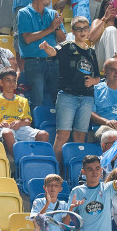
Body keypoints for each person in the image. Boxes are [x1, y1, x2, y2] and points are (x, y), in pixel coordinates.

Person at [41, 15, 101, 164]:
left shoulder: (91, 52)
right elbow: (54, 52)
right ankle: (57, 169)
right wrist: (47, 48)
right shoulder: (67, 46)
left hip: (86, 98)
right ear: (73, 31)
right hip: (68, 96)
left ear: (88, 30)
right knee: (63, 134)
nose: (82, 32)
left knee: (81, 136)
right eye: (79, 29)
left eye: (85, 29)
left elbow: (98, 77)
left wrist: (93, 81)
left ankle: (77, 170)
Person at [17, 0, 63, 109]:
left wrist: (57, 28)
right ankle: (37, 128)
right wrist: (50, 28)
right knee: (37, 100)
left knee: (59, 99)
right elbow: (27, 38)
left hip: (54, 62)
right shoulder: (24, 13)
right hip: (34, 63)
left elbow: (62, 39)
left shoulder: (53, 14)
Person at [0, 69, 49, 162]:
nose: (11, 83)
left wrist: (20, 123)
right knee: (8, 132)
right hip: (3, 129)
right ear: (1, 83)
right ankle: (20, 162)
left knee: (44, 134)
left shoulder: (23, 100)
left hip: (21, 128)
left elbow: (28, 122)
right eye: (8, 80)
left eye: (14, 80)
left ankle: (38, 162)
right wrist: (0, 125)